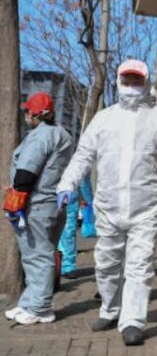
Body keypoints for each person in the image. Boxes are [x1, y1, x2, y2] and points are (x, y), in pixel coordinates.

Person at [56, 59, 157, 346]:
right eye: (127, 80)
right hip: (108, 207)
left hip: (146, 208)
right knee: (106, 263)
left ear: (146, 82)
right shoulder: (103, 119)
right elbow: (83, 155)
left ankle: (133, 321)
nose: (131, 85)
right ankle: (110, 309)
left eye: (137, 80)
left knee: (140, 266)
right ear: (117, 81)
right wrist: (67, 183)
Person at [3, 92, 73, 325]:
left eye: (27, 112)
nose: (26, 116)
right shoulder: (63, 135)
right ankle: (29, 302)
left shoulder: (40, 136)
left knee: (37, 257)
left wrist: (16, 197)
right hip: (53, 204)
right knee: (39, 254)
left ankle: (41, 307)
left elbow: (28, 170)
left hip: (37, 205)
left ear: (36, 114)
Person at [57, 175, 96, 279]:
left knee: (64, 230)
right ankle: (66, 265)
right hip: (67, 196)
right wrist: (89, 201)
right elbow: (83, 180)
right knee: (68, 230)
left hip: (58, 196)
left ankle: (64, 265)